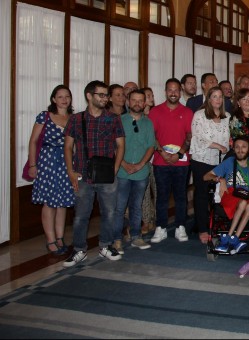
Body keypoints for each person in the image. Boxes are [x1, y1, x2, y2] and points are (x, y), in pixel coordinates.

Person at [63, 80, 126, 267]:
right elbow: (68, 146)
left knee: (109, 212)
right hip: (82, 174)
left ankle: (106, 245)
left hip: (107, 174)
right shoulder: (76, 119)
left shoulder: (113, 118)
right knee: (81, 215)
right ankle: (79, 249)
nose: (105, 98)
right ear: (89, 96)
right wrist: (70, 171)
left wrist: (115, 168)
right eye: (101, 95)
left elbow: (121, 145)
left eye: (106, 95)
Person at [28, 85, 76, 255]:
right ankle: (50, 239)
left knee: (62, 202)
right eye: (60, 96)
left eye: (67, 96)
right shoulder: (45, 116)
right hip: (48, 161)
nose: (64, 99)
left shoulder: (74, 118)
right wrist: (33, 165)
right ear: (54, 99)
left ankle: (60, 237)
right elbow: (33, 141)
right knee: (49, 203)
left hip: (67, 162)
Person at [203, 136, 249, 254]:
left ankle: (232, 238)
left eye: (244, 147)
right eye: (237, 147)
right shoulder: (229, 162)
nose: (240, 150)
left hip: (246, 195)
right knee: (246, 203)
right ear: (233, 149)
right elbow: (206, 176)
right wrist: (220, 179)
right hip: (230, 194)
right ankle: (231, 238)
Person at [149, 78, 194, 244]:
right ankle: (160, 227)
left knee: (181, 195)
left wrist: (179, 153)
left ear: (180, 92)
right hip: (161, 162)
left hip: (181, 163)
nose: (173, 93)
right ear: (165, 91)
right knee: (161, 196)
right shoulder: (155, 111)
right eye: (170, 90)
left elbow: (190, 136)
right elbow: (152, 136)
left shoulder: (188, 112)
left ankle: (180, 226)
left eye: (176, 90)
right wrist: (163, 153)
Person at [114, 89, 155, 252]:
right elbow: (114, 146)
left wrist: (140, 165)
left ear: (144, 103)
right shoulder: (119, 121)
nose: (137, 103)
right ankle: (116, 239)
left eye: (140, 101)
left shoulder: (148, 123)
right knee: (119, 206)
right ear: (128, 102)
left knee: (136, 206)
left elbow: (151, 146)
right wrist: (123, 164)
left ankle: (136, 236)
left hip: (141, 172)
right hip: (122, 172)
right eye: (134, 100)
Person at [190, 86, 230, 244]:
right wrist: (217, 145)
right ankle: (203, 229)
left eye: (220, 97)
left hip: (220, 162)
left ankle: (217, 226)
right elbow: (197, 138)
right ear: (208, 98)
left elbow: (229, 138)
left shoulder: (227, 116)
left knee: (219, 196)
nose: (218, 100)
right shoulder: (199, 115)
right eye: (214, 96)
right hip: (201, 160)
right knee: (202, 195)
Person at [140, 86, 157, 236]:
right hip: (143, 159)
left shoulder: (156, 114)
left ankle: (155, 219)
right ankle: (146, 220)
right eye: (148, 95)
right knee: (145, 193)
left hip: (156, 158)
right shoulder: (138, 117)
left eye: (152, 95)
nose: (151, 98)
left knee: (157, 190)